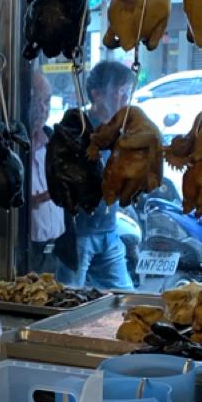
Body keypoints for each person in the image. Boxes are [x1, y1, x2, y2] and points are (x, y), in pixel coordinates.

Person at [55, 59, 135, 290]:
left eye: (127, 93)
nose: (125, 100)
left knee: (123, 294)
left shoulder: (119, 131)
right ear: (97, 94)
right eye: (120, 92)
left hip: (109, 229)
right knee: (68, 296)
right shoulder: (78, 129)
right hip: (79, 233)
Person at [27, 67, 63, 272]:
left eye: (47, 101)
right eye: (36, 101)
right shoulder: (10, 147)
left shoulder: (51, 141)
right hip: (27, 250)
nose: (43, 108)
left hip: (54, 248)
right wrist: (45, 196)